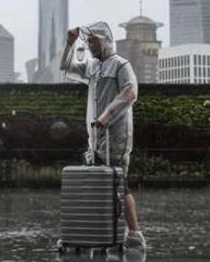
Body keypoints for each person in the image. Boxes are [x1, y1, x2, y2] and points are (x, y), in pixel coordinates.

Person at [60, 21, 145, 250]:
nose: (91, 46)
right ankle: (94, 231)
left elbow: (130, 93)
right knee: (95, 184)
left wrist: (106, 117)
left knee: (119, 184)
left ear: (106, 41)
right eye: (88, 42)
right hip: (96, 137)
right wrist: (69, 44)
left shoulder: (120, 65)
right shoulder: (94, 67)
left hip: (116, 135)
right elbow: (67, 68)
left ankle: (134, 233)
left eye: (94, 41)